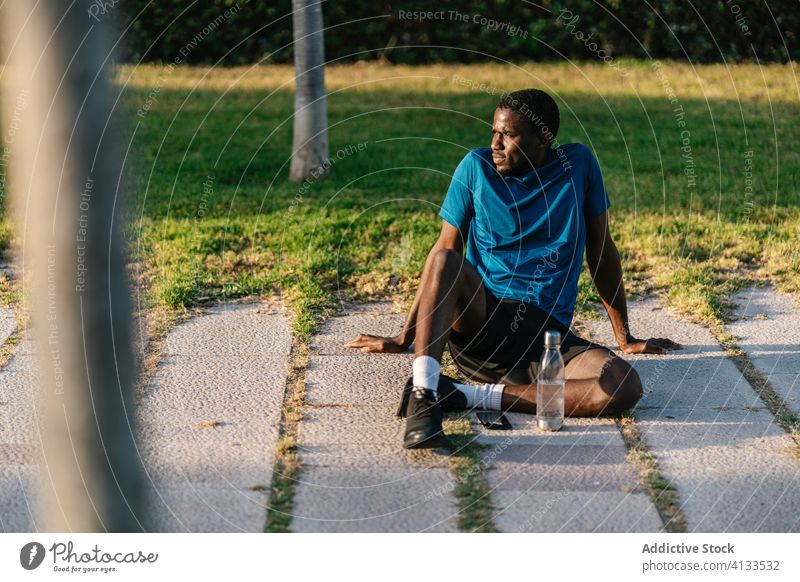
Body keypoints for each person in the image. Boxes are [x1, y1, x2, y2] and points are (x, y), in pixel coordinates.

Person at [345, 89, 682, 449]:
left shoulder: (578, 166)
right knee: (445, 260)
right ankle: (424, 394)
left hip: (546, 341)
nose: (496, 143)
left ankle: (464, 395)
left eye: (507, 135)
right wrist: (404, 337)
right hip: (483, 324)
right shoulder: (476, 168)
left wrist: (624, 337)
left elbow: (601, 253)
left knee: (621, 386)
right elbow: (443, 255)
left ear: (543, 139)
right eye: (494, 132)